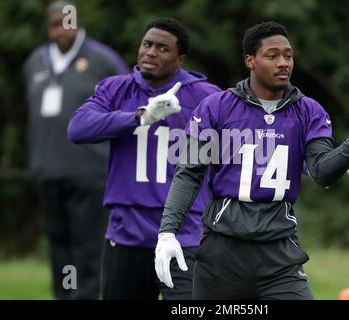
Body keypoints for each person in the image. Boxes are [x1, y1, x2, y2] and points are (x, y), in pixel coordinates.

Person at [154, 21, 349, 300]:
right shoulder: (217, 107)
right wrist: (167, 232)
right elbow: (189, 173)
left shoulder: (308, 111)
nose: (283, 62)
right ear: (250, 60)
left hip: (279, 255)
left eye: (288, 55)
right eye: (272, 56)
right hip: (223, 254)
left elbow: (322, 173)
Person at [67, 17, 220, 300]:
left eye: (162, 48)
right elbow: (78, 128)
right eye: (147, 44)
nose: (150, 52)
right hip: (128, 232)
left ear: (180, 59)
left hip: (184, 233)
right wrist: (140, 116)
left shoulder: (205, 96)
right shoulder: (116, 89)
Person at [22, 1, 128, 299]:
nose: (60, 30)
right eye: (54, 24)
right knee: (60, 243)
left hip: (90, 172)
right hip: (49, 170)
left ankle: (85, 295)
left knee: (88, 244)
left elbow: (127, 108)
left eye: (66, 22)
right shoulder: (36, 62)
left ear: (78, 23)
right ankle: (66, 294)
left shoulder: (102, 60)